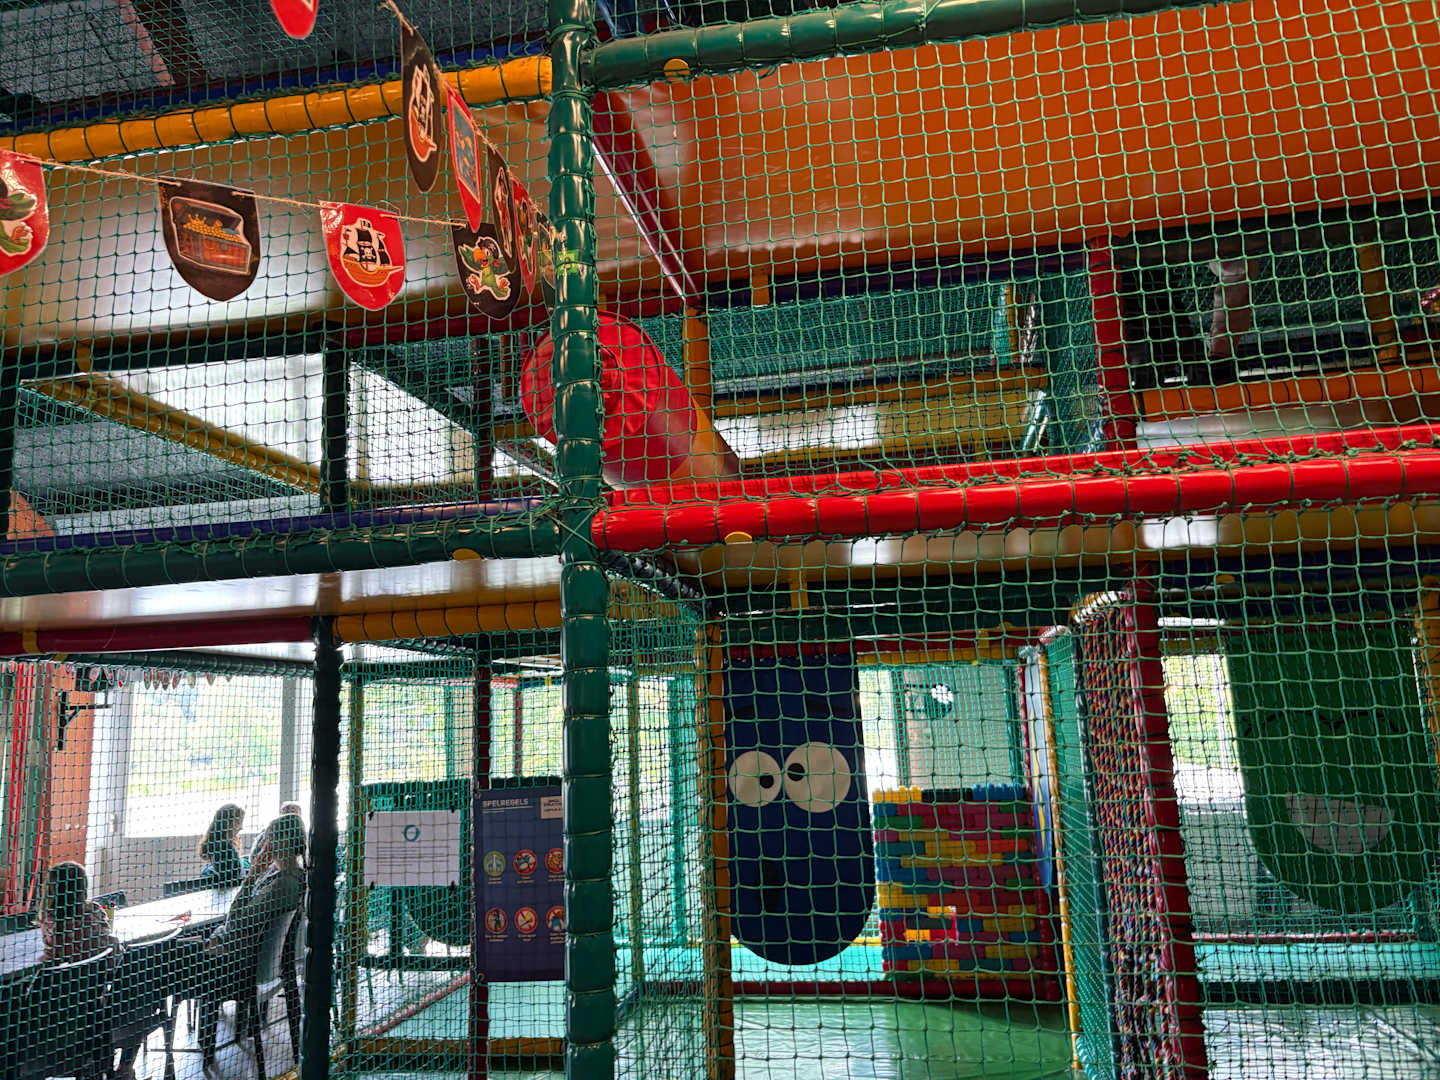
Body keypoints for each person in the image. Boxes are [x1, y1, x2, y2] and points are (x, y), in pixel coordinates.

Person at [174, 814, 306, 1066]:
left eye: (269, 837)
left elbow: (235, 920)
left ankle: (125, 1051)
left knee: (157, 954)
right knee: (183, 943)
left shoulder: (282, 884)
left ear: (283, 841)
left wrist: (252, 875)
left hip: (234, 969)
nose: (264, 843)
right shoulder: (295, 877)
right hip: (242, 958)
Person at [38, 861, 119, 965]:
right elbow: (107, 933)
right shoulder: (94, 910)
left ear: (50, 890)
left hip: (66, 973)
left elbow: (52, 954)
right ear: (83, 888)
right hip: (103, 970)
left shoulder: (49, 920)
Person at [197, 804, 246, 887]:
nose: (241, 827)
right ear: (228, 823)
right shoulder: (223, 847)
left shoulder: (219, 844)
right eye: (238, 822)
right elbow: (232, 878)